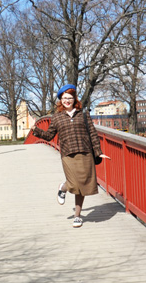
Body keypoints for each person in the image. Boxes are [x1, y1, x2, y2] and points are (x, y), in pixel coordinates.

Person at [30, 84, 110, 228]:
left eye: (70, 98)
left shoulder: (83, 114)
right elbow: (49, 135)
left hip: (85, 152)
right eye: (64, 98)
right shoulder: (57, 117)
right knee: (75, 183)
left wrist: (98, 152)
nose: (67, 101)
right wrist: (36, 130)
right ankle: (64, 187)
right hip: (68, 154)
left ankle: (77, 216)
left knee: (82, 185)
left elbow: (92, 133)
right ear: (61, 100)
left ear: (74, 99)